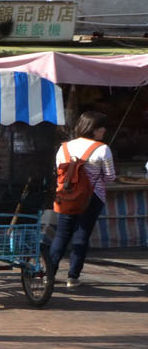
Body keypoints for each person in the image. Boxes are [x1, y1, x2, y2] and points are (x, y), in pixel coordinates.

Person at [48, 110, 115, 289]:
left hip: (66, 195)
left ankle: (49, 274)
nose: (104, 131)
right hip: (93, 197)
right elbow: (110, 177)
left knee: (61, 234)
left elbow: (59, 171)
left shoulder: (65, 148)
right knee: (82, 234)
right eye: (102, 128)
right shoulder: (102, 149)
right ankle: (73, 277)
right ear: (93, 129)